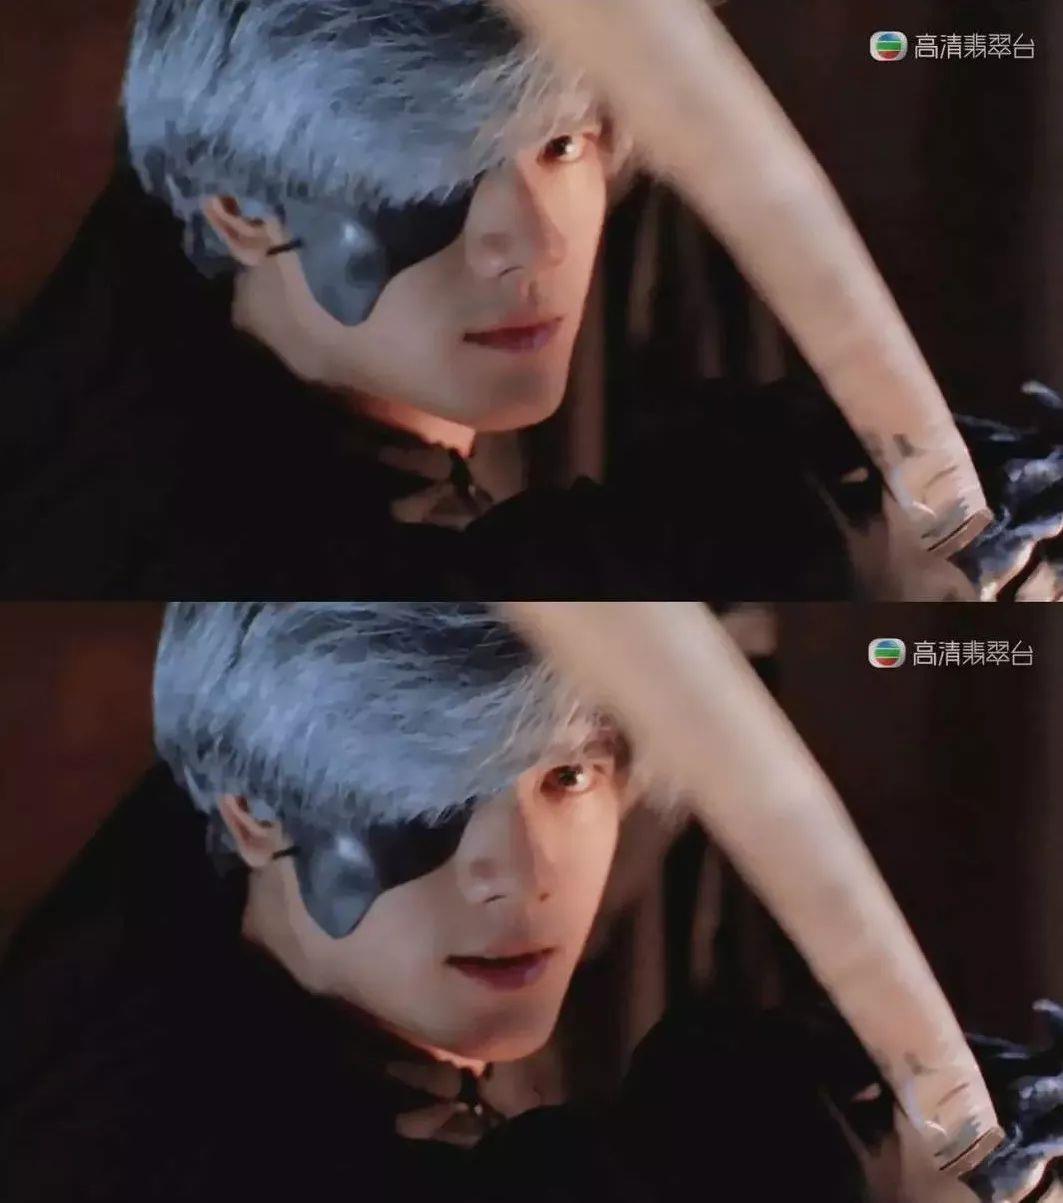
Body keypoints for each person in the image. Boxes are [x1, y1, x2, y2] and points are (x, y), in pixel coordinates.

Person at [2, 602, 1061, 1202]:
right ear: (252, 813)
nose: (523, 871)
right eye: (423, 792)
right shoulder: (147, 1117)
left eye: (565, 777)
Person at [4, 0, 1053, 601]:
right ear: (238, 208)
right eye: (426, 167)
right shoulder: (136, 524)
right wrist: (797, 544)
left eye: (559, 144)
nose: (538, 242)